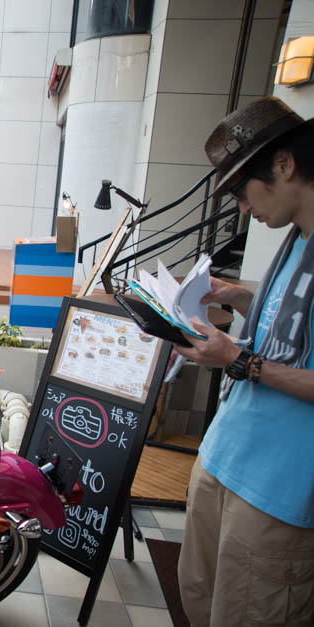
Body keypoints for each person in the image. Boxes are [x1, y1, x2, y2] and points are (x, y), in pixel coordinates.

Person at [174, 97, 314, 627]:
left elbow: (261, 355)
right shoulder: (296, 241)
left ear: (283, 165)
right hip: (224, 457)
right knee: (200, 598)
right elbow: (289, 327)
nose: (241, 208)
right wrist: (236, 295)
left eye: (240, 190)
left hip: (280, 491)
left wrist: (240, 361)